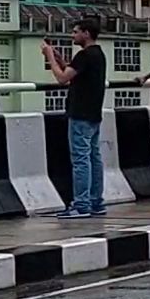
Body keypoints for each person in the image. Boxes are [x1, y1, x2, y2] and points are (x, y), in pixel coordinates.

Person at [42, 17, 107, 218]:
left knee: (80, 160)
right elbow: (77, 75)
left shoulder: (84, 55)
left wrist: (50, 58)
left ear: (86, 33)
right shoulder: (98, 54)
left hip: (79, 113)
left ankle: (81, 204)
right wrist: (62, 61)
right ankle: (96, 201)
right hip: (94, 112)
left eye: (76, 31)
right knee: (94, 158)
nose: (73, 35)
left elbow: (62, 79)